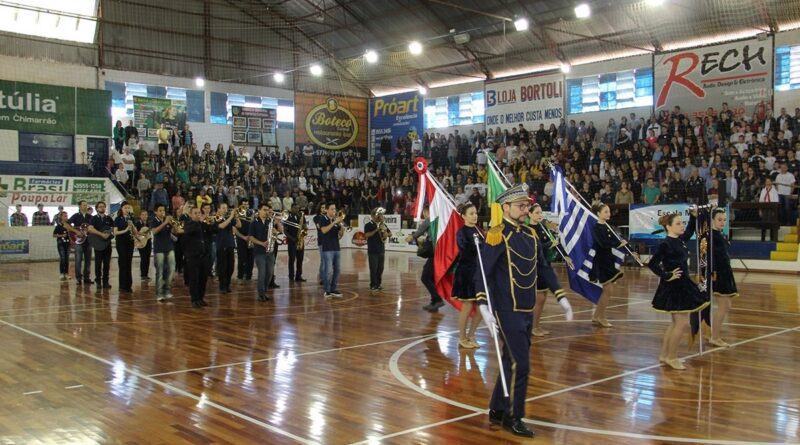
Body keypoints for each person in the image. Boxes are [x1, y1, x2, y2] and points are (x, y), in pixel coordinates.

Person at [474, 183, 537, 438]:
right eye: (521, 206)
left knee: (511, 360)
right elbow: (484, 272)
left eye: (526, 206)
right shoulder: (497, 235)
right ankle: (513, 415)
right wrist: (483, 305)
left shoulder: (526, 234)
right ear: (506, 207)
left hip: (524, 306)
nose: (526, 210)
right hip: (506, 309)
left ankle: (498, 408)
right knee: (518, 363)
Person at [647, 213, 710, 370]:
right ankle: (672, 357)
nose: (682, 226)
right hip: (674, 287)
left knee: (676, 323)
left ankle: (664, 355)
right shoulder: (666, 244)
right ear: (668, 227)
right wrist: (667, 275)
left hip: (683, 284)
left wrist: (693, 217)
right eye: (678, 223)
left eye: (682, 223)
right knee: (681, 324)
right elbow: (652, 264)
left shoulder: (679, 240)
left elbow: (689, 231)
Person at [528, 203, 574, 337]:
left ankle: (536, 325)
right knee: (539, 298)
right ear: (529, 214)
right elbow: (535, 248)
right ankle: (534, 327)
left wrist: (565, 255)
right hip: (535, 267)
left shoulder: (543, 228)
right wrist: (549, 244)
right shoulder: (529, 229)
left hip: (545, 265)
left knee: (542, 298)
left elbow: (556, 243)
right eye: (536, 213)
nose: (539, 215)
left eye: (540, 212)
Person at [589, 203, 627, 328]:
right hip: (601, 261)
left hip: (608, 260)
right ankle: (601, 317)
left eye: (609, 211)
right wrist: (617, 244)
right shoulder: (596, 228)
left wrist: (622, 242)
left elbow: (616, 240)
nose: (608, 213)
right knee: (608, 290)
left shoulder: (608, 227)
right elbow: (602, 243)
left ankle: (596, 316)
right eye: (605, 211)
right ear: (598, 214)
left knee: (608, 291)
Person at [707, 208, 738, 347]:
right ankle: (714, 337)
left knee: (727, 305)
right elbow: (710, 256)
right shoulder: (711, 236)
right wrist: (713, 272)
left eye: (724, 220)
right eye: (720, 219)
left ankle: (714, 335)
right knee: (723, 305)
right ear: (713, 220)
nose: (722, 222)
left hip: (725, 272)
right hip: (718, 273)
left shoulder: (719, 234)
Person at [453, 203, 482, 348]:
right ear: (463, 216)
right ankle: (462, 338)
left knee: (482, 307)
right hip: (467, 274)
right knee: (468, 306)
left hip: (479, 273)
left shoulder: (479, 230)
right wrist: (479, 246)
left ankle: (471, 335)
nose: (475, 215)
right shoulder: (461, 233)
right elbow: (465, 251)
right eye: (471, 213)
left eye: (475, 212)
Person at [407, 207, 444, 312]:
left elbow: (418, 232)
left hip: (434, 253)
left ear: (426, 212)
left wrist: (410, 237)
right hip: (440, 252)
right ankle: (434, 302)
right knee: (431, 277)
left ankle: (437, 299)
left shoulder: (429, 220)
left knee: (425, 277)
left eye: (424, 213)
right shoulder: (439, 221)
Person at [250, 203, 281, 301]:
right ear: (259, 210)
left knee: (270, 273)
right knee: (262, 273)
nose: (266, 212)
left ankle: (265, 290)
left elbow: (280, 230)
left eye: (267, 210)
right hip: (259, 251)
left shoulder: (270, 221)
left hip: (270, 251)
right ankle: (261, 293)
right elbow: (251, 237)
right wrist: (261, 243)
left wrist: (277, 224)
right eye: (264, 210)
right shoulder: (254, 222)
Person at [182, 206, 211, 308]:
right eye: (195, 213)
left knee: (203, 279)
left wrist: (208, 222)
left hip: (204, 255)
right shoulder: (188, 224)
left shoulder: (202, 224)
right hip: (193, 256)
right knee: (194, 279)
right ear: (190, 215)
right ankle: (194, 299)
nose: (198, 214)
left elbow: (214, 230)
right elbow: (190, 231)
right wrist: (200, 222)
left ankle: (201, 298)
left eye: (199, 212)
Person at [150, 204, 177, 302]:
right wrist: (165, 223)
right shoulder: (154, 221)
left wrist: (173, 225)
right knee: (160, 271)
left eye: (163, 210)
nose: (162, 212)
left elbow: (175, 232)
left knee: (172, 269)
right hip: (159, 249)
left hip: (169, 247)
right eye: (160, 210)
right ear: (155, 212)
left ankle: (167, 290)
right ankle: (159, 293)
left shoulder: (168, 220)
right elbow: (154, 232)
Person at [318, 203, 345, 299]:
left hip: (336, 248)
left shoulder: (335, 220)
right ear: (327, 210)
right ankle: (327, 290)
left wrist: (342, 227)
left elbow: (340, 236)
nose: (334, 211)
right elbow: (324, 230)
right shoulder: (323, 219)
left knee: (337, 270)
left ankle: (333, 289)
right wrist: (334, 222)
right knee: (328, 271)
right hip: (327, 249)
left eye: (335, 209)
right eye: (332, 209)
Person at [88, 201, 114, 290]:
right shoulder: (94, 218)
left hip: (107, 244)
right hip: (98, 244)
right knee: (98, 264)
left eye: (103, 206)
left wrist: (110, 232)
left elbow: (113, 228)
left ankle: (105, 281)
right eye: (100, 207)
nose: (102, 208)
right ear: (97, 208)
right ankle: (98, 281)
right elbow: (90, 229)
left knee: (107, 264)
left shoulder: (109, 218)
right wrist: (101, 234)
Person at [214, 202, 240, 294]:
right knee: (222, 267)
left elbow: (239, 225)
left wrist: (236, 216)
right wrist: (231, 216)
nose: (225, 209)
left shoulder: (229, 218)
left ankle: (227, 284)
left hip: (230, 244)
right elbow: (221, 226)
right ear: (219, 209)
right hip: (221, 245)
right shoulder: (216, 218)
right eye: (223, 208)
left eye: (226, 208)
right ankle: (222, 286)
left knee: (231, 266)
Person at [112, 202, 137, 293]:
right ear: (122, 209)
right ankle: (122, 285)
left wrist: (132, 226)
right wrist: (125, 230)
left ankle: (128, 285)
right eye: (125, 208)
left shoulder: (131, 218)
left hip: (130, 242)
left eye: (128, 208)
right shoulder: (118, 219)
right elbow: (115, 232)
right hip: (121, 242)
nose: (127, 210)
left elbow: (135, 232)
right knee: (123, 263)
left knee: (128, 263)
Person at [67, 200, 93, 284]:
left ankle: (86, 278)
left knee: (88, 260)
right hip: (78, 242)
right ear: (79, 206)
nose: (85, 206)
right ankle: (78, 278)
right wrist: (76, 231)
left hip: (88, 241)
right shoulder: (75, 216)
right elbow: (66, 224)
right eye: (84, 205)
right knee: (78, 260)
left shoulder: (90, 217)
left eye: (86, 205)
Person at [363, 207, 387, 292]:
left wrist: (384, 231)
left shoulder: (382, 224)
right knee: (373, 269)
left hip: (381, 250)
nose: (379, 217)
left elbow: (386, 236)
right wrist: (377, 230)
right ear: (373, 216)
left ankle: (378, 284)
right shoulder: (368, 225)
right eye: (378, 215)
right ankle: (373, 285)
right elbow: (367, 235)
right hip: (373, 250)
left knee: (380, 268)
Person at [284, 203, 306, 282]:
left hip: (300, 241)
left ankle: (298, 276)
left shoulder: (301, 216)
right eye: (296, 208)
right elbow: (285, 231)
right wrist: (293, 239)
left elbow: (304, 227)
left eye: (298, 208)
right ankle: (291, 276)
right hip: (292, 242)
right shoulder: (287, 217)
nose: (297, 210)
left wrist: (304, 230)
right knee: (292, 260)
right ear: (292, 208)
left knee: (300, 259)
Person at [234, 198, 254, 281]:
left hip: (250, 238)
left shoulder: (251, 213)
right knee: (242, 258)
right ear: (240, 205)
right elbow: (234, 229)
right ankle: (240, 276)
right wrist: (243, 237)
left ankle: (249, 275)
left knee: (251, 258)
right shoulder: (237, 214)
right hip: (241, 238)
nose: (246, 206)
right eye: (244, 204)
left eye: (247, 204)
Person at [134, 210, 152, 281]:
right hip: (141, 242)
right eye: (143, 215)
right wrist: (142, 234)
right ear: (140, 216)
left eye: (146, 214)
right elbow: (135, 232)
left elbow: (150, 232)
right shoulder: (138, 223)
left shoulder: (149, 223)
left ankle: (146, 275)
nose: (145, 216)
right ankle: (143, 275)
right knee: (143, 258)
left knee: (147, 258)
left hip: (148, 242)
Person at [53, 211, 70, 280]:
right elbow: (54, 235)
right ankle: (62, 273)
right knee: (63, 258)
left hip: (67, 243)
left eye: (66, 216)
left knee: (67, 259)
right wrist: (61, 235)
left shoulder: (69, 225)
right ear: (61, 217)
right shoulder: (58, 226)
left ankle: (66, 273)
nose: (66, 217)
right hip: (61, 243)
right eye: (64, 216)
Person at [313, 203, 327, 285]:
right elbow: (319, 227)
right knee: (323, 260)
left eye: (325, 208)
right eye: (322, 207)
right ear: (319, 209)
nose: (324, 209)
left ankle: (327, 276)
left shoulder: (328, 217)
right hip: (321, 240)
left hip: (329, 240)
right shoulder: (316, 217)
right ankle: (322, 277)